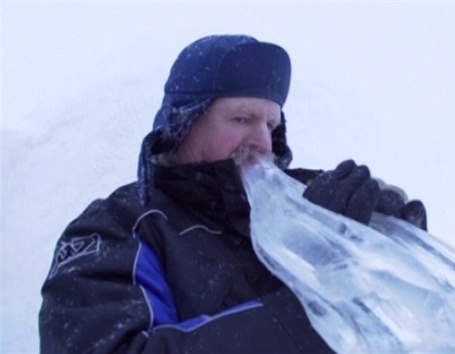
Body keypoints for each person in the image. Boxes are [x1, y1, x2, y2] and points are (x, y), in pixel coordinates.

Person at [39, 34, 427, 353]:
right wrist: (316, 299)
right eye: (242, 119)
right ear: (184, 123)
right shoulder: (119, 229)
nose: (262, 141)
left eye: (272, 125)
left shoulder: (307, 200)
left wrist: (392, 239)